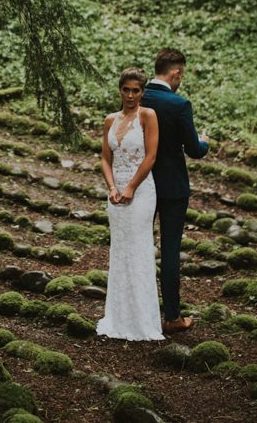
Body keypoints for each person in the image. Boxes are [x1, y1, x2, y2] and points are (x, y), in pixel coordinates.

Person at [142, 48, 209, 334]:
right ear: (175, 73)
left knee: (140, 247)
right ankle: (172, 317)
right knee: (169, 250)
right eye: (181, 75)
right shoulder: (179, 105)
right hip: (172, 187)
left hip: (141, 182)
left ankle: (139, 312)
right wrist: (204, 141)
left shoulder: (137, 96)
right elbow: (194, 150)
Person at [96, 68, 164, 341]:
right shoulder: (110, 120)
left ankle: (142, 321)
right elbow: (104, 157)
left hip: (141, 190)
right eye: (127, 90)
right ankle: (119, 318)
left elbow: (151, 156)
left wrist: (131, 187)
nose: (131, 95)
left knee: (138, 248)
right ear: (120, 90)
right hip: (116, 194)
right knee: (120, 250)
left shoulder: (148, 116)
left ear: (143, 92)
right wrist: (112, 187)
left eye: (136, 90)